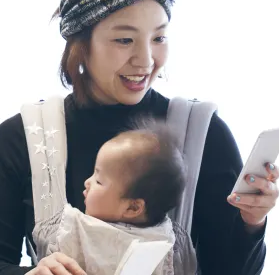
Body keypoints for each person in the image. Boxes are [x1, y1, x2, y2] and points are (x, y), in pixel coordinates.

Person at [0, 0, 279, 275]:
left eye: (159, 37)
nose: (146, 60)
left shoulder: (202, 133)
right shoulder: (22, 137)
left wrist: (252, 221)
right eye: (124, 39)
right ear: (80, 42)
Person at [31, 118, 196, 275]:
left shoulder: (170, 247)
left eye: (98, 180)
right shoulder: (72, 230)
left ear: (132, 207)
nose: (87, 182)